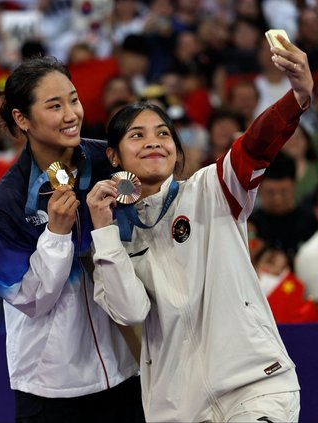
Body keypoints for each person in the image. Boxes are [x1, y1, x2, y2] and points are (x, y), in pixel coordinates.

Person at [86, 34, 313, 422]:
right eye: (136, 135)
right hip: (179, 408)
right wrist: (103, 230)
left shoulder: (212, 188)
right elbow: (130, 311)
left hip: (255, 388)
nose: (153, 142)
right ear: (113, 155)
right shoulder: (115, 240)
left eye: (162, 134)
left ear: (176, 148)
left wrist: (297, 98)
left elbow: (255, 147)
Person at [0, 56, 144, 423]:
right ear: (22, 119)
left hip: (125, 371)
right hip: (50, 387)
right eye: (55, 106)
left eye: (73, 99)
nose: (71, 113)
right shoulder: (7, 202)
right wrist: (56, 234)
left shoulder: (109, 161)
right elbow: (29, 299)